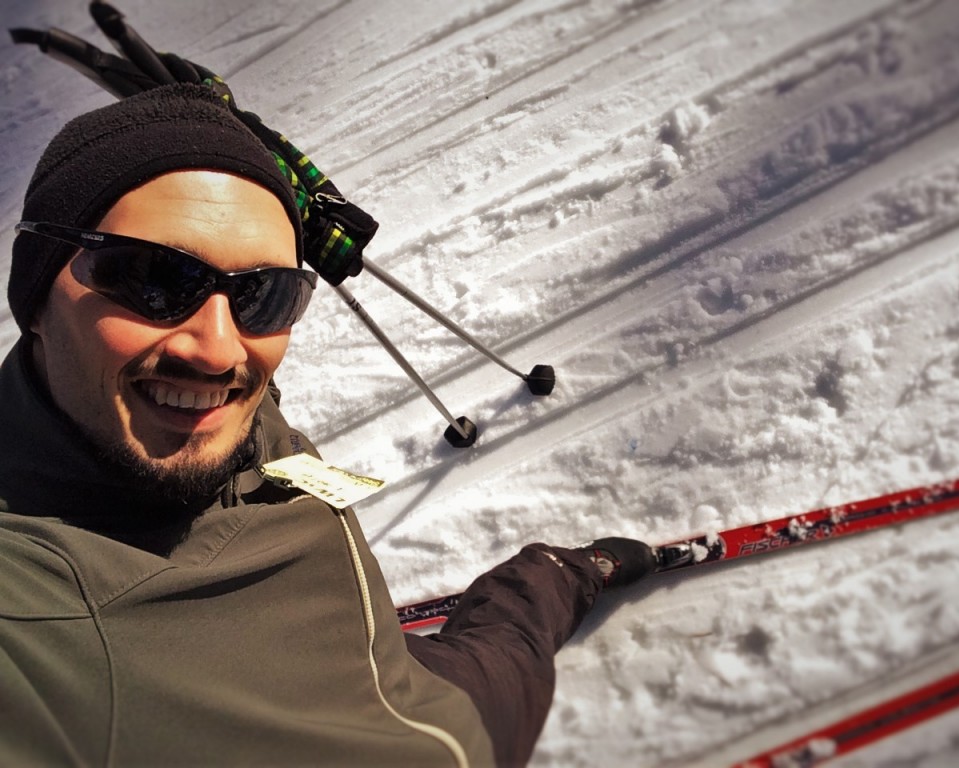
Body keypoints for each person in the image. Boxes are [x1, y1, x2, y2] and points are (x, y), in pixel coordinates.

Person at [0, 83, 659, 766]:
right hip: (471, 737)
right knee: (514, 648)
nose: (220, 350)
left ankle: (566, 572)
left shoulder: (160, 385)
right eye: (152, 280)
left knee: (524, 621)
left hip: (396, 677)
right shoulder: (37, 618)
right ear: (38, 295)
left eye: (265, 293)